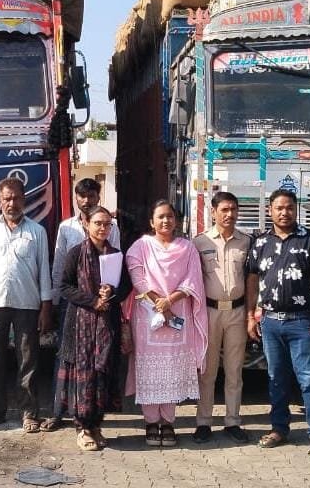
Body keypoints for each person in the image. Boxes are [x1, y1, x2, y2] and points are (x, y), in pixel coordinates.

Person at [246, 189, 310, 460]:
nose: (284, 212)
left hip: (302, 322)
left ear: (296, 210)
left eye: (289, 208)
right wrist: (250, 315)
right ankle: (279, 429)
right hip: (271, 322)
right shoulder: (260, 242)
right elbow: (251, 278)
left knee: (308, 379)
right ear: (270, 210)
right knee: (276, 379)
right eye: (279, 208)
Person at [122, 200, 208, 447]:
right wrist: (158, 301)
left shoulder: (188, 248)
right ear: (151, 222)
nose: (165, 221)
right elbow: (137, 276)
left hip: (178, 314)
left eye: (169, 216)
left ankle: (168, 422)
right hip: (147, 316)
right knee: (149, 370)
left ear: (176, 220)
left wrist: (170, 300)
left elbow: (193, 279)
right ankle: (150, 422)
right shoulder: (140, 247)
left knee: (172, 370)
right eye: (160, 217)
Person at [0, 177, 52, 432]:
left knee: (28, 360)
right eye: (6, 198)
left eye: (16, 198)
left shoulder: (37, 232)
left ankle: (29, 414)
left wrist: (46, 307)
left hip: (27, 302)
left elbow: (44, 273)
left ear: (24, 199)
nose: (11, 203)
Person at [44, 177, 121, 432]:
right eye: (82, 196)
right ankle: (58, 412)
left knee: (101, 360)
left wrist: (109, 294)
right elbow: (59, 271)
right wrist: (55, 301)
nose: (87, 200)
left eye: (91, 195)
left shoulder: (113, 227)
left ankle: (95, 415)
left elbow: (116, 264)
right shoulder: (66, 228)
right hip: (74, 306)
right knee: (68, 359)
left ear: (99, 197)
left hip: (104, 306)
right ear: (76, 198)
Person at [54, 206, 130, 451]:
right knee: (82, 374)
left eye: (107, 224)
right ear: (86, 224)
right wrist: (91, 300)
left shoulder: (116, 255)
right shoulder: (76, 253)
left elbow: (127, 287)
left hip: (107, 325)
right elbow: (64, 286)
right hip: (80, 325)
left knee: (103, 374)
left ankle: (96, 425)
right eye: (97, 223)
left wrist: (112, 293)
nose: (102, 228)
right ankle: (82, 427)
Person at [192, 191, 251, 444]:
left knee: (234, 370)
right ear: (213, 212)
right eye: (224, 210)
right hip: (209, 312)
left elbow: (252, 280)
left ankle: (232, 421)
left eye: (233, 210)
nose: (229, 215)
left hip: (237, 312)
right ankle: (203, 422)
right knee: (207, 371)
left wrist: (251, 313)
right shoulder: (199, 243)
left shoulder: (247, 242)